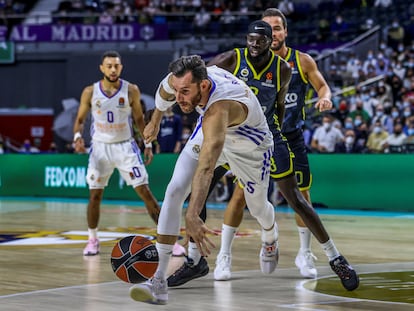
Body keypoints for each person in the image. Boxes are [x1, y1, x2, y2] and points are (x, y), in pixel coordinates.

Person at [130, 54, 279, 305]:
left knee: (258, 207)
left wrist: (193, 214)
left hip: (251, 146)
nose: (179, 98)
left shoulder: (220, 106)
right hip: (211, 133)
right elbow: (164, 91)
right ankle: (158, 280)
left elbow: (207, 167)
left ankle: (270, 235)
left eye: (185, 92)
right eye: (178, 90)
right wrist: (155, 119)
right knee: (174, 190)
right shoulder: (183, 82)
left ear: (204, 85)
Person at [73, 50, 184, 257]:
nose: (113, 69)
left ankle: (169, 241)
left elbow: (140, 121)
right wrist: (77, 136)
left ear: (121, 67)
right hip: (100, 148)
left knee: (146, 193)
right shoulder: (90, 91)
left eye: (116, 65)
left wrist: (148, 145)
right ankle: (92, 239)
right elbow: (80, 120)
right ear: (102, 68)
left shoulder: (131, 90)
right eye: (109, 65)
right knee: (95, 195)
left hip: (126, 146)